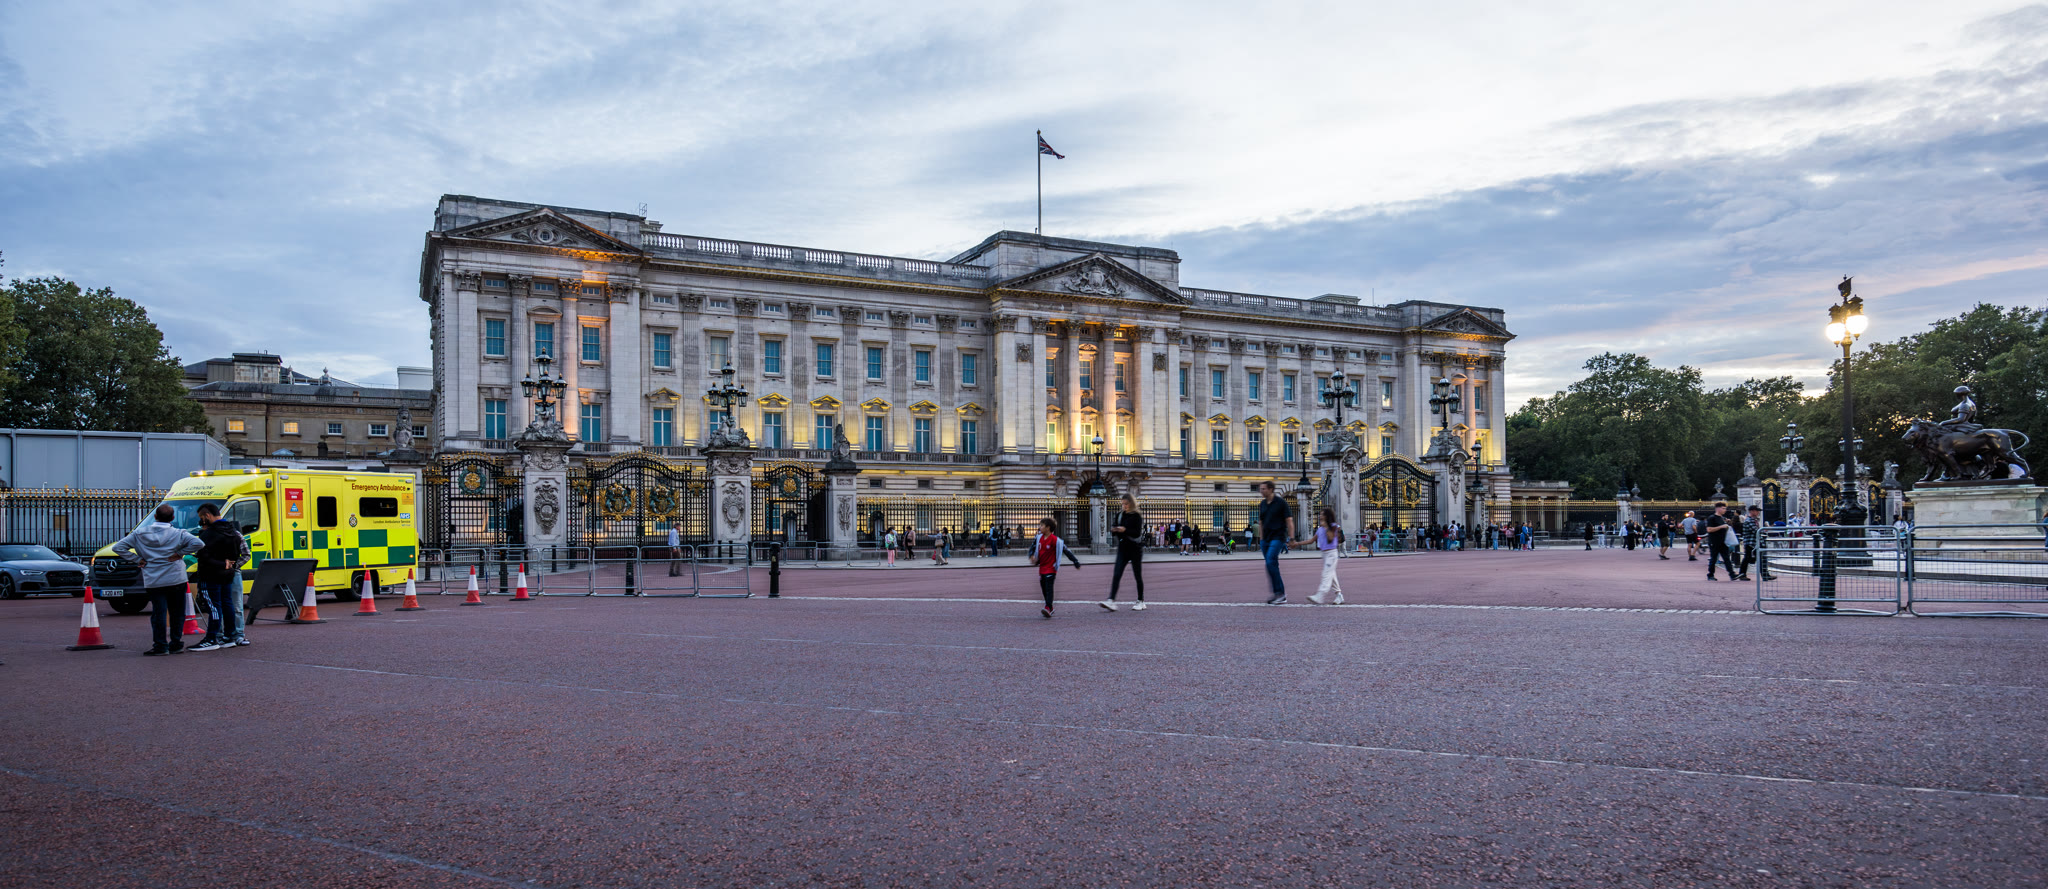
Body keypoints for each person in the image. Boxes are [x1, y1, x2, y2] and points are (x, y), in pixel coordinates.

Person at [111, 504, 206, 656]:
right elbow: (199, 543)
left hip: (153, 578)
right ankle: (176, 643)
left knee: (159, 613)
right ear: (173, 518)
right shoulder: (179, 533)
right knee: (177, 612)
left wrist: (137, 559)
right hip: (176, 577)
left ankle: (160, 645)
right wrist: (180, 553)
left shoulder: (139, 533)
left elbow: (118, 548)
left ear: (155, 517)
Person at [190, 503, 248, 652]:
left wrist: (221, 564)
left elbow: (203, 555)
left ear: (207, 516)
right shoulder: (233, 532)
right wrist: (230, 566)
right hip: (228, 575)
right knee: (228, 604)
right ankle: (230, 635)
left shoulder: (208, 534)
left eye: (202, 518)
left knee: (214, 607)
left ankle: (212, 638)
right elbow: (243, 554)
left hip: (211, 574)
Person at [1028, 516, 1082, 618]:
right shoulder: (1038, 538)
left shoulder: (1056, 540)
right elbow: (1032, 548)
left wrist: (1075, 561)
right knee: (1044, 588)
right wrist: (1031, 556)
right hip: (1042, 568)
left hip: (1051, 568)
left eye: (1042, 525)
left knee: (1049, 588)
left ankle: (1048, 607)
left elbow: (1066, 551)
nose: (1040, 527)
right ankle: (1050, 607)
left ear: (1048, 528)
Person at [1102, 494, 1147, 611]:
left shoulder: (1137, 516)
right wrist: (1114, 530)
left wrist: (1125, 530)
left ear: (1131, 503)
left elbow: (1137, 533)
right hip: (1123, 548)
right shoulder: (1119, 515)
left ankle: (1141, 600)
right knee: (1117, 574)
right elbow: (1114, 529)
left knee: (1137, 575)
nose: (1124, 506)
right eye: (1123, 504)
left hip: (1135, 549)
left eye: (1126, 504)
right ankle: (1111, 600)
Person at [1255, 481, 1297, 604]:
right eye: (1261, 489)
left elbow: (1289, 521)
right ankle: (1278, 593)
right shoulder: (1262, 504)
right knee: (1271, 565)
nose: (1261, 491)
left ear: (1271, 489)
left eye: (1264, 489)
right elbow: (1261, 522)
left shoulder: (1281, 503)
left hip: (1278, 537)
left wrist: (1292, 538)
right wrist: (1261, 539)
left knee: (1270, 562)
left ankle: (1280, 593)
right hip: (1266, 539)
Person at [1309, 507, 1346, 605]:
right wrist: (1297, 543)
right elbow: (1311, 540)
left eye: (1322, 514)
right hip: (1325, 554)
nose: (1320, 516)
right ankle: (1339, 595)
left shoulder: (1333, 526)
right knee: (1331, 575)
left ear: (1327, 516)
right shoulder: (1320, 528)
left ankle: (1320, 595)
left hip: (1331, 554)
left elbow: (1330, 537)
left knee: (1326, 574)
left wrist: (1325, 526)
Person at [1701, 503, 1739, 581]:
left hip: (1723, 541)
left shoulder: (1722, 518)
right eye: (1723, 508)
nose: (1725, 510)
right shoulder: (1712, 518)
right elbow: (1709, 529)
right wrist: (1721, 527)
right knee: (1714, 558)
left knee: (1726, 558)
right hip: (1714, 541)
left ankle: (1732, 574)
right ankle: (1710, 574)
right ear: (1718, 508)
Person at [1741, 504, 1775, 581]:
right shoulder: (1749, 521)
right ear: (1752, 511)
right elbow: (1756, 531)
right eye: (1757, 511)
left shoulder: (1753, 520)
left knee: (1756, 558)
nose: (1758, 512)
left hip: (1754, 542)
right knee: (1753, 558)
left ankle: (1764, 574)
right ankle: (1764, 575)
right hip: (1752, 543)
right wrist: (1764, 530)